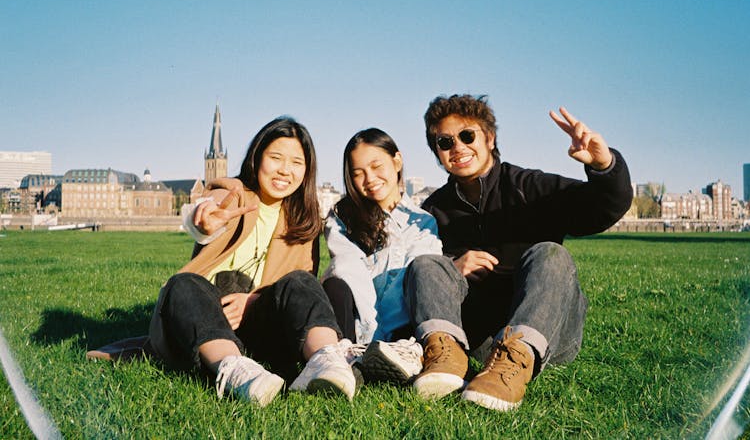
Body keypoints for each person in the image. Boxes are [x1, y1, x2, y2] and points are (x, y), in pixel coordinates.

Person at [405, 94, 632, 411]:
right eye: (445, 142)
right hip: (478, 339)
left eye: (467, 135)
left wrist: (603, 165)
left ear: (489, 137)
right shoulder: (434, 211)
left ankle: (515, 361)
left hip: (547, 334)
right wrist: (453, 267)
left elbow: (600, 210)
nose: (458, 147)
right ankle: (446, 363)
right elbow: (420, 279)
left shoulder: (530, 187)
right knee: (427, 263)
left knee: (551, 254)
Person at [147, 116, 357, 406]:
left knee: (302, 281)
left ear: (306, 171)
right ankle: (236, 370)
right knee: (182, 284)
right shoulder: (235, 195)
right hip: (209, 322)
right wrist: (205, 221)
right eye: (276, 158)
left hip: (264, 326)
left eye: (296, 162)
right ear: (257, 159)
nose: (285, 170)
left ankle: (328, 362)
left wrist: (253, 301)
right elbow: (208, 209)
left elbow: (294, 293)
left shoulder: (303, 221)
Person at [322, 128, 441, 383]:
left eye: (377, 166)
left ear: (396, 161)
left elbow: (418, 274)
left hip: (403, 325)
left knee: (420, 272)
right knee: (338, 277)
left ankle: (400, 352)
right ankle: (350, 358)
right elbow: (348, 269)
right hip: (357, 327)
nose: (370, 179)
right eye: (358, 173)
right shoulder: (341, 218)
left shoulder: (423, 221)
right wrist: (370, 335)